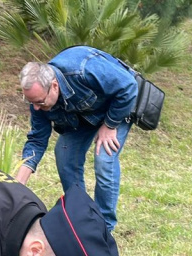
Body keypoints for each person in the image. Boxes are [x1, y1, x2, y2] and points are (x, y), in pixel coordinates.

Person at [15, 46, 138, 232]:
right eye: (31, 102)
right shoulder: (38, 102)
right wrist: (19, 183)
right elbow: (37, 140)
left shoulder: (83, 69)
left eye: (39, 102)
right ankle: (81, 217)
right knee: (65, 155)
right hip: (82, 117)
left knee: (104, 158)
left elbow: (128, 86)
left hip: (115, 108)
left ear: (54, 86)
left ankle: (104, 229)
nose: (36, 108)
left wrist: (110, 125)